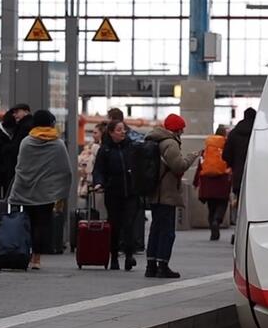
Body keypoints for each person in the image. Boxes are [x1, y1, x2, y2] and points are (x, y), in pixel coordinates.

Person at [8, 110, 71, 270]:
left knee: (28, 221)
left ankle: (27, 252)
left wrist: (17, 189)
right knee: (42, 224)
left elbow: (20, 168)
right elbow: (66, 170)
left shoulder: (26, 142)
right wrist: (61, 191)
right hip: (47, 193)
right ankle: (36, 258)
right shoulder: (58, 144)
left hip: (27, 191)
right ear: (51, 123)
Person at [144, 114, 199, 279]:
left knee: (155, 229)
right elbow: (178, 166)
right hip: (166, 194)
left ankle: (151, 265)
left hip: (154, 192)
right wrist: (192, 156)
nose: (182, 131)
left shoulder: (154, 140)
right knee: (167, 231)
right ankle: (163, 266)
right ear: (177, 129)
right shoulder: (170, 143)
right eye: (182, 128)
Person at [92, 120, 140, 271]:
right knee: (115, 225)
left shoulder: (131, 147)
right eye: (119, 130)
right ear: (111, 132)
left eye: (123, 129)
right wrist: (99, 183)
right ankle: (114, 257)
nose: (123, 132)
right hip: (113, 192)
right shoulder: (105, 150)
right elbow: (98, 170)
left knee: (129, 224)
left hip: (131, 192)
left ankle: (129, 255)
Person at [193, 126, 231, 241]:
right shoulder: (226, 148)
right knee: (222, 203)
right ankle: (217, 220)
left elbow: (200, 166)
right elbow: (230, 164)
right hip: (222, 181)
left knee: (211, 207)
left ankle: (213, 231)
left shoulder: (207, 149)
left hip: (207, 182)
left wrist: (196, 183)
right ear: (224, 135)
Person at [223, 107, 256, 200]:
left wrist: (233, 165)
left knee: (239, 205)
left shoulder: (234, 133)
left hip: (238, 176)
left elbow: (226, 154)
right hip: (257, 177)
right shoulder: (259, 132)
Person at [78, 121, 106, 198]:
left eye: (95, 133)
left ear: (102, 134)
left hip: (97, 185)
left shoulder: (100, 149)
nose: (93, 135)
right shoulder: (90, 146)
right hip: (89, 184)